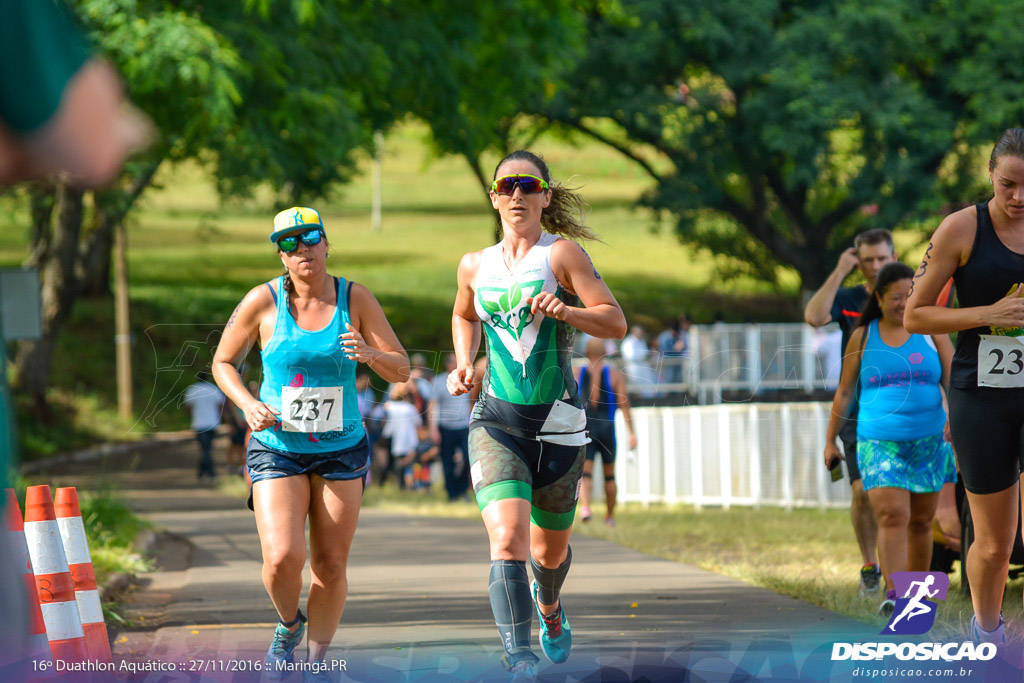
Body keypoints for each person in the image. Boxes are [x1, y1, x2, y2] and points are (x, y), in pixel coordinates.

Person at [447, 150, 626, 681]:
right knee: (507, 541)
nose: (517, 195)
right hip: (497, 420)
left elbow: (614, 321)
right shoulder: (473, 264)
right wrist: (462, 363)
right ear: (494, 197)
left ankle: (548, 607)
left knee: (548, 559)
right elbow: (462, 313)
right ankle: (518, 655)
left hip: (560, 427)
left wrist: (567, 310)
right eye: (507, 187)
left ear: (546, 195)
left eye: (529, 185)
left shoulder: (560, 255)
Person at [211, 206, 409, 680]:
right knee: (282, 559)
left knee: (330, 563)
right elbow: (222, 362)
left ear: (326, 243)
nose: (302, 249)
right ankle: (286, 624)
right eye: (289, 242)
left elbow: (400, 369)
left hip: (341, 445)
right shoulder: (262, 301)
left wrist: (369, 353)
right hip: (277, 443)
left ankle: (318, 664)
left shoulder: (355, 298)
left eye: (310, 237)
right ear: (280, 255)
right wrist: (245, 403)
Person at [904, 128, 1024, 646]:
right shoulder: (960, 228)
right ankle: (987, 633)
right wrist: (988, 314)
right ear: (990, 177)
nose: (1019, 197)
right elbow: (914, 314)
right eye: (1008, 184)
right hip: (982, 395)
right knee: (996, 545)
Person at [824, 263, 955, 617]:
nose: (902, 303)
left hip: (929, 442)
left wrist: (955, 421)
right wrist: (829, 440)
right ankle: (894, 595)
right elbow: (845, 391)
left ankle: (917, 600)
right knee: (893, 515)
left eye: (909, 295)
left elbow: (954, 380)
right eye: (895, 297)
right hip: (878, 442)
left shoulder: (933, 329)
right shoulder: (863, 335)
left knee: (922, 522)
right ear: (879, 298)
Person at [805, 228, 897, 596]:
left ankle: (901, 582)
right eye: (868, 260)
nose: (875, 267)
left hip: (908, 411)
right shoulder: (847, 299)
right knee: (863, 492)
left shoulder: (909, 297)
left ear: (894, 257)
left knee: (902, 500)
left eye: (882, 259)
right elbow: (814, 316)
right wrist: (840, 270)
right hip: (858, 412)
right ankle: (870, 567)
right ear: (858, 261)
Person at [577, 337, 637, 527]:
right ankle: (609, 516)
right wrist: (632, 433)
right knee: (609, 474)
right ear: (605, 352)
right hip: (607, 428)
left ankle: (586, 507)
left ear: (586, 352)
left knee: (586, 473)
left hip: (585, 428)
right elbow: (624, 404)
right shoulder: (614, 375)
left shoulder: (577, 372)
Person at [430, 352, 472, 501]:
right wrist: (433, 429)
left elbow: (471, 402)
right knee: (447, 461)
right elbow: (433, 406)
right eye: (454, 362)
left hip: (464, 426)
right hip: (446, 427)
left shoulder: (467, 378)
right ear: (448, 364)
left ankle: (462, 489)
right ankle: (451, 493)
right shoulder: (439, 381)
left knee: (468, 459)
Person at [183, 371, 226, 480]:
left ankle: (202, 472)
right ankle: (209, 472)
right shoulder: (213, 389)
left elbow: (187, 407)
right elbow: (221, 405)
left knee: (204, 448)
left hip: (198, 423)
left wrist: (191, 416)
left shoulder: (192, 390)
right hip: (212, 423)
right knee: (207, 448)